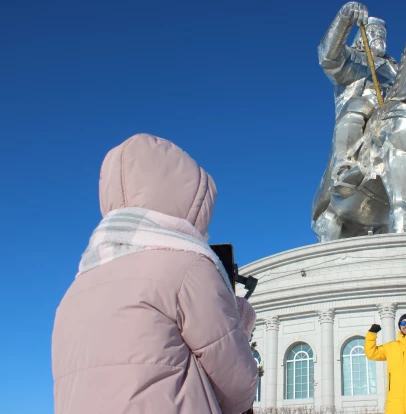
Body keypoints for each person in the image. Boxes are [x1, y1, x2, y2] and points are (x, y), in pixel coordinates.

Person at [52, 133, 258, 414]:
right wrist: (240, 326)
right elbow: (237, 385)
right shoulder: (187, 267)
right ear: (190, 200)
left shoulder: (74, 291)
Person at [318, 1, 398, 185]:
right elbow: (328, 58)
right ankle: (345, 166)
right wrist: (344, 20)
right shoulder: (354, 59)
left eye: (382, 33)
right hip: (365, 118)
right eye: (374, 32)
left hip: (393, 117)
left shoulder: (396, 68)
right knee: (358, 105)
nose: (379, 36)